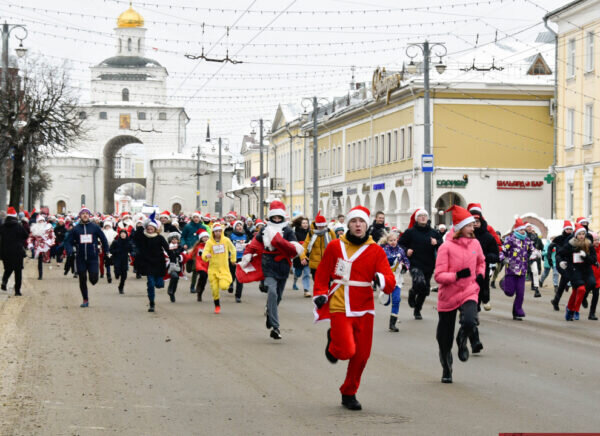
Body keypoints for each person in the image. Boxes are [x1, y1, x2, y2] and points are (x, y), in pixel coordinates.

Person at [313, 205, 395, 410]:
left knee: (362, 355)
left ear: (367, 225)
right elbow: (323, 273)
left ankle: (349, 392)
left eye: (361, 222)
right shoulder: (335, 246)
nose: (358, 225)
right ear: (348, 224)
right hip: (340, 303)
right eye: (353, 221)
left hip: (364, 307)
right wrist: (320, 294)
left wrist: (380, 279)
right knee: (346, 350)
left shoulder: (376, 250)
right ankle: (334, 342)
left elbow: (390, 280)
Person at [434, 206, 485, 383]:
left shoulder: (475, 244)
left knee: (471, 321)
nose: (473, 228)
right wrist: (456, 276)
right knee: (443, 337)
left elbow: (481, 262)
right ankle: (446, 367)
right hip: (448, 294)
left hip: (469, 290)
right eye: (470, 225)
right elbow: (438, 275)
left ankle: (462, 340)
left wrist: (480, 274)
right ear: (460, 228)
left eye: (473, 225)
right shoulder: (445, 247)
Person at [251, 201, 302, 339]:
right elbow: (255, 243)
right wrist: (248, 255)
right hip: (268, 264)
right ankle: (276, 327)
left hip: (283, 266)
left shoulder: (288, 230)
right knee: (272, 292)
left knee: (278, 296)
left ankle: (270, 312)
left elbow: (295, 247)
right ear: (271, 217)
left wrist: (294, 250)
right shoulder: (265, 229)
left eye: (280, 218)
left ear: (283, 217)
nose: (277, 220)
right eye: (275, 218)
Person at [399, 208, 442, 320]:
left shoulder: (434, 232)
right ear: (416, 218)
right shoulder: (410, 232)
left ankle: (417, 309)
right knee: (419, 282)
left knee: (425, 290)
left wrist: (436, 242)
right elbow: (400, 245)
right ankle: (413, 292)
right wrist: (406, 250)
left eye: (425, 215)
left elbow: (443, 245)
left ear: (427, 218)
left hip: (428, 264)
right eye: (420, 216)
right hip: (415, 263)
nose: (423, 217)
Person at [64, 207, 109, 308]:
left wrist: (107, 251)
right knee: (82, 278)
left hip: (92, 257)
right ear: (80, 216)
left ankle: (93, 278)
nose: (85, 215)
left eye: (86, 213)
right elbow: (68, 242)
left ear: (89, 216)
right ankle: (85, 299)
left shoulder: (94, 227)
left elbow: (103, 239)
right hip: (80, 258)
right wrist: (70, 250)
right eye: (83, 213)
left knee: (93, 279)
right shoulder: (75, 229)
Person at [557, 224, 597, 321]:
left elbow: (593, 259)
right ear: (576, 235)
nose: (582, 236)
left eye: (583, 234)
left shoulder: (589, 244)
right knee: (581, 289)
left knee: (588, 285)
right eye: (580, 234)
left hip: (586, 270)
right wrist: (561, 262)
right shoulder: (570, 245)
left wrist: (586, 256)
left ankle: (570, 308)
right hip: (574, 270)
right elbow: (560, 254)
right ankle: (573, 311)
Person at [133, 212, 170, 312]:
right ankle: (152, 303)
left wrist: (173, 258)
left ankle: (160, 282)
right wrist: (141, 226)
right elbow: (136, 237)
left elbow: (167, 248)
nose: (149, 230)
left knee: (159, 284)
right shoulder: (143, 237)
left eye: (151, 229)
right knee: (150, 283)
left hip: (159, 262)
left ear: (155, 229)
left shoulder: (160, 238)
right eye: (148, 229)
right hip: (148, 263)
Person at [500, 218, 534, 320]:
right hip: (511, 268)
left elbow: (533, 250)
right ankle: (503, 283)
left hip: (522, 270)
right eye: (520, 230)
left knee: (520, 292)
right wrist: (503, 258)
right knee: (510, 292)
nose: (523, 231)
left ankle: (517, 311)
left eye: (523, 229)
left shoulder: (527, 240)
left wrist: (535, 254)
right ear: (516, 230)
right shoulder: (510, 239)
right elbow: (502, 250)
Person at [470, 206, 500, 311]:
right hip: (466, 268)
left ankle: (477, 307)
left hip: (482, 268)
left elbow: (496, 255)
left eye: (477, 221)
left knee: (480, 288)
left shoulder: (488, 237)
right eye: (472, 221)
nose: (475, 224)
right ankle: (469, 310)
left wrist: (486, 257)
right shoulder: (464, 235)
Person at [379, 231, 410, 332]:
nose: (393, 242)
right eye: (390, 240)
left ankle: (392, 323)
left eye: (394, 240)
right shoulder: (384, 250)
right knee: (386, 301)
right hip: (387, 277)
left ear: (397, 240)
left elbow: (405, 259)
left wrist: (406, 266)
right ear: (387, 241)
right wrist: (394, 259)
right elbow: (387, 259)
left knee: (396, 300)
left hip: (397, 278)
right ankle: (385, 298)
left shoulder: (400, 250)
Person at [300, 211, 336, 298]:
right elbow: (305, 246)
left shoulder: (330, 232)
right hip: (315, 264)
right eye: (319, 225)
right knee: (317, 283)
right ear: (316, 225)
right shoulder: (311, 233)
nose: (320, 227)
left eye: (322, 225)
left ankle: (325, 300)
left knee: (327, 284)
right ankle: (319, 299)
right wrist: (303, 257)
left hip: (327, 264)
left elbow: (336, 245)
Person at [202, 223, 236, 313]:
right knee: (214, 289)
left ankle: (229, 282)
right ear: (213, 232)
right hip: (212, 269)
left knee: (224, 286)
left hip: (224, 268)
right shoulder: (209, 242)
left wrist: (233, 259)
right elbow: (204, 252)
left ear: (222, 231)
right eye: (216, 231)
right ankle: (217, 305)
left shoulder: (226, 240)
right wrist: (206, 255)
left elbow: (233, 249)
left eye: (219, 231)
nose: (218, 233)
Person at [0, 207, 29, 296]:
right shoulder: (18, 226)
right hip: (17, 251)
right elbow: (26, 235)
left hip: (5, 251)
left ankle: (4, 281)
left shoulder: (2, 226)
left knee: (8, 268)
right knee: (18, 271)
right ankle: (17, 291)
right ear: (15, 216)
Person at [548, 220, 575, 311]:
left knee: (563, 282)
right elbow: (550, 247)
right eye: (567, 229)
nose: (569, 231)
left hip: (569, 261)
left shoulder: (574, 238)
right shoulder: (559, 238)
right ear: (564, 229)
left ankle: (556, 300)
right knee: (566, 276)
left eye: (571, 229)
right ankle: (568, 283)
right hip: (560, 261)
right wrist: (549, 258)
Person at [182, 212, 209, 293]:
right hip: (189, 249)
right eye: (194, 217)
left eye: (197, 217)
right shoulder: (187, 226)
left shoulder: (203, 227)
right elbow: (183, 236)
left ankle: (192, 286)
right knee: (189, 269)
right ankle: (189, 267)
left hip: (199, 249)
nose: (196, 219)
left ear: (200, 218)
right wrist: (184, 244)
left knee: (195, 270)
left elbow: (205, 236)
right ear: (192, 218)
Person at [27, 215, 56, 280]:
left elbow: (53, 236)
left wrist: (51, 242)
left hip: (46, 246)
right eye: (40, 221)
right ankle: (40, 275)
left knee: (46, 259)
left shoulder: (48, 228)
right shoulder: (34, 229)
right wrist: (30, 244)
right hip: (38, 247)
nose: (41, 222)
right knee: (39, 261)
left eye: (42, 220)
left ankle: (47, 262)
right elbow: (30, 238)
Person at [228, 220, 249, 302]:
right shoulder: (231, 236)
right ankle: (230, 285)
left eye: (240, 225)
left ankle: (238, 296)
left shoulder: (245, 236)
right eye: (237, 226)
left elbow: (249, 246)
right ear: (234, 228)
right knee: (232, 274)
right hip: (232, 257)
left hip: (242, 258)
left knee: (240, 277)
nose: (239, 227)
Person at [165, 233, 189, 303]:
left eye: (176, 239)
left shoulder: (180, 247)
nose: (174, 240)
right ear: (170, 240)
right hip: (170, 266)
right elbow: (165, 256)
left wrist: (180, 257)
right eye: (173, 239)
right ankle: (170, 290)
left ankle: (172, 293)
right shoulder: (167, 247)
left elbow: (185, 257)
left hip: (179, 266)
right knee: (174, 276)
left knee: (176, 279)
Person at [110, 228, 134, 294]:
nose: (123, 235)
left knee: (124, 275)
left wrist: (133, 253)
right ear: (119, 235)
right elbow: (111, 250)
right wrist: (116, 251)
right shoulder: (115, 242)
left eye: (124, 234)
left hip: (125, 260)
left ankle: (121, 287)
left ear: (126, 235)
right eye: (121, 234)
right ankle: (116, 273)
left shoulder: (128, 243)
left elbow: (132, 250)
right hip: (117, 259)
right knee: (117, 271)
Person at [292, 216, 311, 294]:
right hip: (298, 256)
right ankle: (295, 280)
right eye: (303, 223)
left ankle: (306, 290)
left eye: (306, 223)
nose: (305, 224)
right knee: (298, 273)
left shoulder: (310, 233)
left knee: (307, 273)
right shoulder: (295, 233)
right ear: (300, 224)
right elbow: (294, 243)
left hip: (307, 255)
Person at [189, 231, 210, 302]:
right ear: (201, 238)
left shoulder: (211, 246)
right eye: (204, 237)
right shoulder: (197, 246)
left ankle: (200, 293)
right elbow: (192, 253)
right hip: (199, 264)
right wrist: (186, 258)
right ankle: (198, 287)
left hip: (208, 264)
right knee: (203, 275)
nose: (206, 238)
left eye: (207, 237)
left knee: (204, 279)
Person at [525, 224, 544, 297]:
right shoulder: (522, 237)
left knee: (535, 271)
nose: (529, 228)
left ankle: (536, 288)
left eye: (530, 227)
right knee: (522, 273)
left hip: (532, 258)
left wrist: (538, 253)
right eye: (527, 226)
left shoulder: (535, 237)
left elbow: (540, 246)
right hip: (522, 258)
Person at [587, 232, 600, 320]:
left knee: (596, 295)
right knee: (584, 292)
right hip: (589, 275)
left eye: (598, 240)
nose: (597, 241)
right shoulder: (588, 250)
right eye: (595, 240)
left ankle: (592, 313)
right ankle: (573, 310)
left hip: (598, 277)